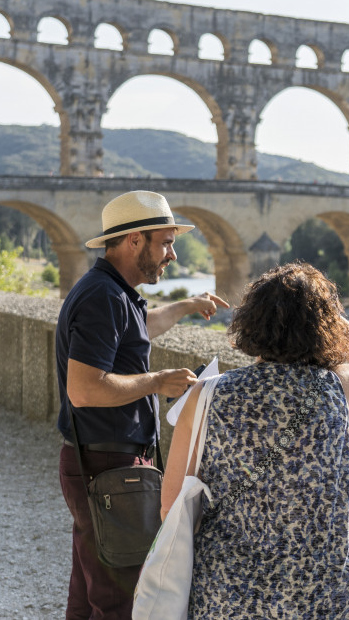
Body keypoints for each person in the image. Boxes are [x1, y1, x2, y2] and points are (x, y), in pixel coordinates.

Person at [161, 262, 349, 618]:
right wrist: (332, 317)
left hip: (229, 591)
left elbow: (171, 507)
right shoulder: (342, 388)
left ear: (251, 323)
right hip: (327, 592)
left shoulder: (206, 395)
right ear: (324, 329)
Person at [56, 190, 229, 620]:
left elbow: (139, 329)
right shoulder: (104, 298)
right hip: (108, 464)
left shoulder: (114, 292)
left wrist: (188, 305)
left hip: (102, 459)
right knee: (121, 597)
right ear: (135, 240)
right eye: (166, 242)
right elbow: (85, 389)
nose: (172, 254)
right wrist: (159, 381)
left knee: (89, 590)